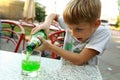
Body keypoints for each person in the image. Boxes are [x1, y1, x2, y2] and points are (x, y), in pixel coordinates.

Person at [31, 0, 111, 79]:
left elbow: (79, 59)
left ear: (96, 24)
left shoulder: (102, 33)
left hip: (86, 75)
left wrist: (49, 47)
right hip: (65, 71)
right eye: (69, 28)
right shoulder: (72, 21)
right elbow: (53, 15)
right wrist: (46, 24)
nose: (73, 33)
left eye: (79, 29)